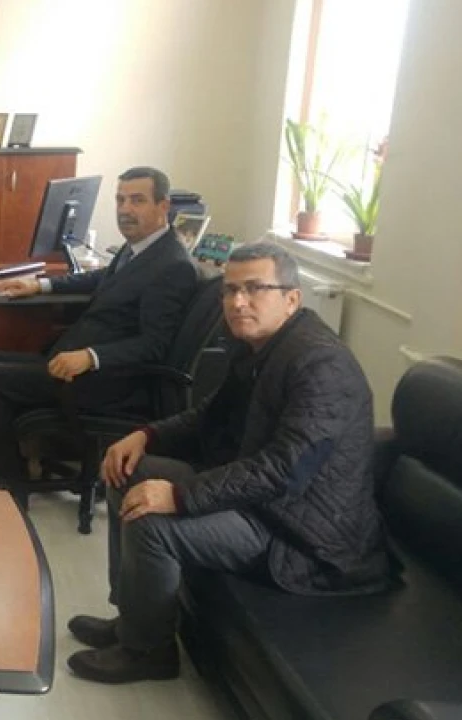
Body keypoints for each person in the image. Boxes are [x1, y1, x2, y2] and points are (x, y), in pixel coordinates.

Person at [67, 242, 391, 684]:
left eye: (255, 288)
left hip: (300, 533)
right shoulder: (260, 346)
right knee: (128, 471)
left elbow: (284, 469)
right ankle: (132, 618)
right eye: (230, 290)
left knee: (151, 521)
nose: (238, 302)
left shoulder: (321, 366)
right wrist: (147, 435)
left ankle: (149, 652)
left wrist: (180, 496)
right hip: (262, 502)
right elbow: (210, 415)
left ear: (292, 298)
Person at [0, 167, 196, 489]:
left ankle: (6, 479)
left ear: (163, 206)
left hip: (107, 380)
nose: (125, 209)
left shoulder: (171, 265)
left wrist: (91, 356)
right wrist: (41, 285)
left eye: (137, 200)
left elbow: (154, 344)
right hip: (75, 363)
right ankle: (7, 464)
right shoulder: (139, 248)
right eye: (120, 200)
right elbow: (100, 279)